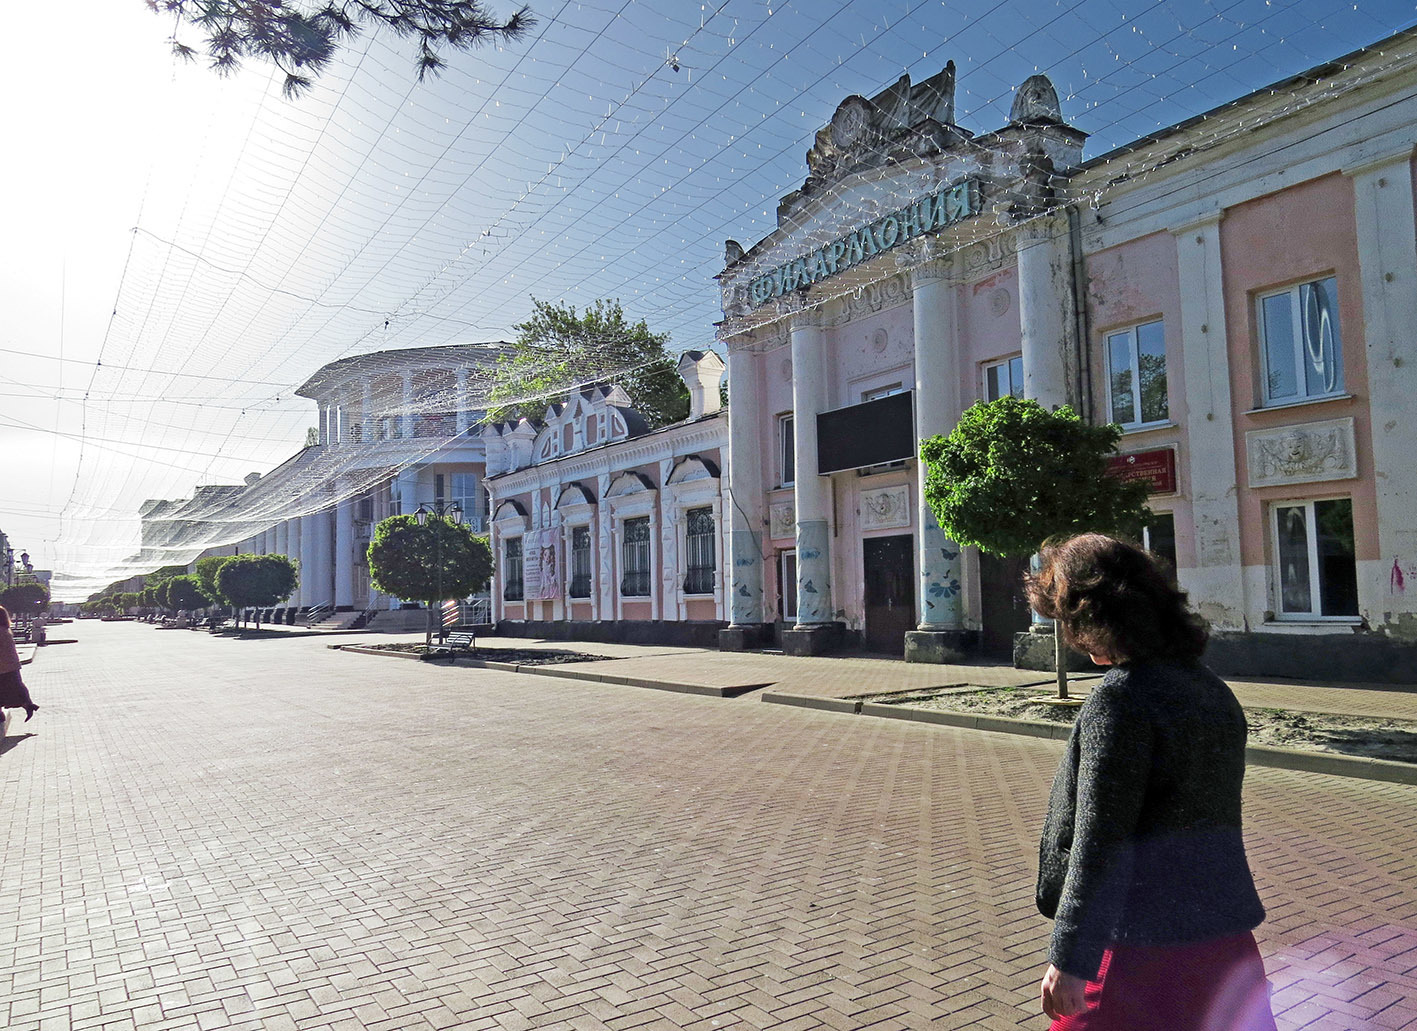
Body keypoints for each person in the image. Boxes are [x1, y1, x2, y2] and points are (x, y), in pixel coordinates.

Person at [1027, 534, 1275, 1031]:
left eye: (1069, 623)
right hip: (1222, 939)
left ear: (1093, 619)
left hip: (1138, 948)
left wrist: (1072, 958)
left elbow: (1101, 840)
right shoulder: (1211, 690)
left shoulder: (1121, 700)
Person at [0, 604, 40, 727]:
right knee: (14, 688)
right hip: (10, 666)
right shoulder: (5, 629)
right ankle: (28, 704)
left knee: (8, 690)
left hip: (4, 667)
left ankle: (27, 704)